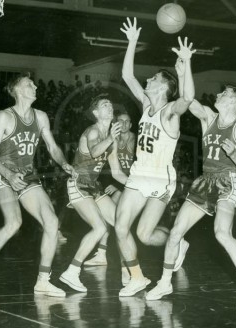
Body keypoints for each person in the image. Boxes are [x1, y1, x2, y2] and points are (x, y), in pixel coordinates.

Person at [146, 85, 236, 313]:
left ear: (233, 101)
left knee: (221, 233)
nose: (217, 94)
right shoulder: (209, 117)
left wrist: (234, 154)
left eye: (224, 93)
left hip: (227, 182)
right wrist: (184, 66)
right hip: (205, 182)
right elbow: (189, 99)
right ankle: (164, 283)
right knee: (175, 233)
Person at [0, 73, 76, 298]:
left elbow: (53, 148)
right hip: (4, 174)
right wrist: (7, 173)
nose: (35, 86)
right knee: (14, 222)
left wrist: (64, 163)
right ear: (16, 89)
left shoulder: (41, 117)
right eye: (29, 84)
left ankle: (43, 281)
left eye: (35, 83)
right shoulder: (4, 117)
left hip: (27, 176)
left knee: (52, 222)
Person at [115, 17, 196, 297]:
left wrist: (185, 68)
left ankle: (179, 243)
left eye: (153, 79)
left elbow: (187, 98)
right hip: (139, 174)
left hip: (161, 178)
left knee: (145, 235)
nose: (147, 79)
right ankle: (137, 277)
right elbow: (127, 76)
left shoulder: (170, 111)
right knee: (121, 226)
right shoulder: (147, 104)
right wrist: (132, 42)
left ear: (163, 87)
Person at [59, 94, 128, 292]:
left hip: (93, 186)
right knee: (99, 228)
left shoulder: (111, 139)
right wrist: (110, 138)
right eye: (104, 105)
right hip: (78, 184)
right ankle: (71, 272)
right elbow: (95, 152)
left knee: (121, 224)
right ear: (96, 113)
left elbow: (116, 173)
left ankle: (128, 272)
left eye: (110, 104)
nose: (109, 106)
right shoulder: (92, 132)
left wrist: (136, 183)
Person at [84, 110, 135, 268]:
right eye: (121, 121)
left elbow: (136, 168)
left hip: (131, 182)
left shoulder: (135, 139)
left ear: (131, 124)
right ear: (116, 123)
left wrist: (119, 185)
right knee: (112, 218)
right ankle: (103, 254)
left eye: (127, 121)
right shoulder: (111, 138)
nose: (124, 124)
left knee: (118, 221)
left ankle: (120, 261)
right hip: (120, 181)